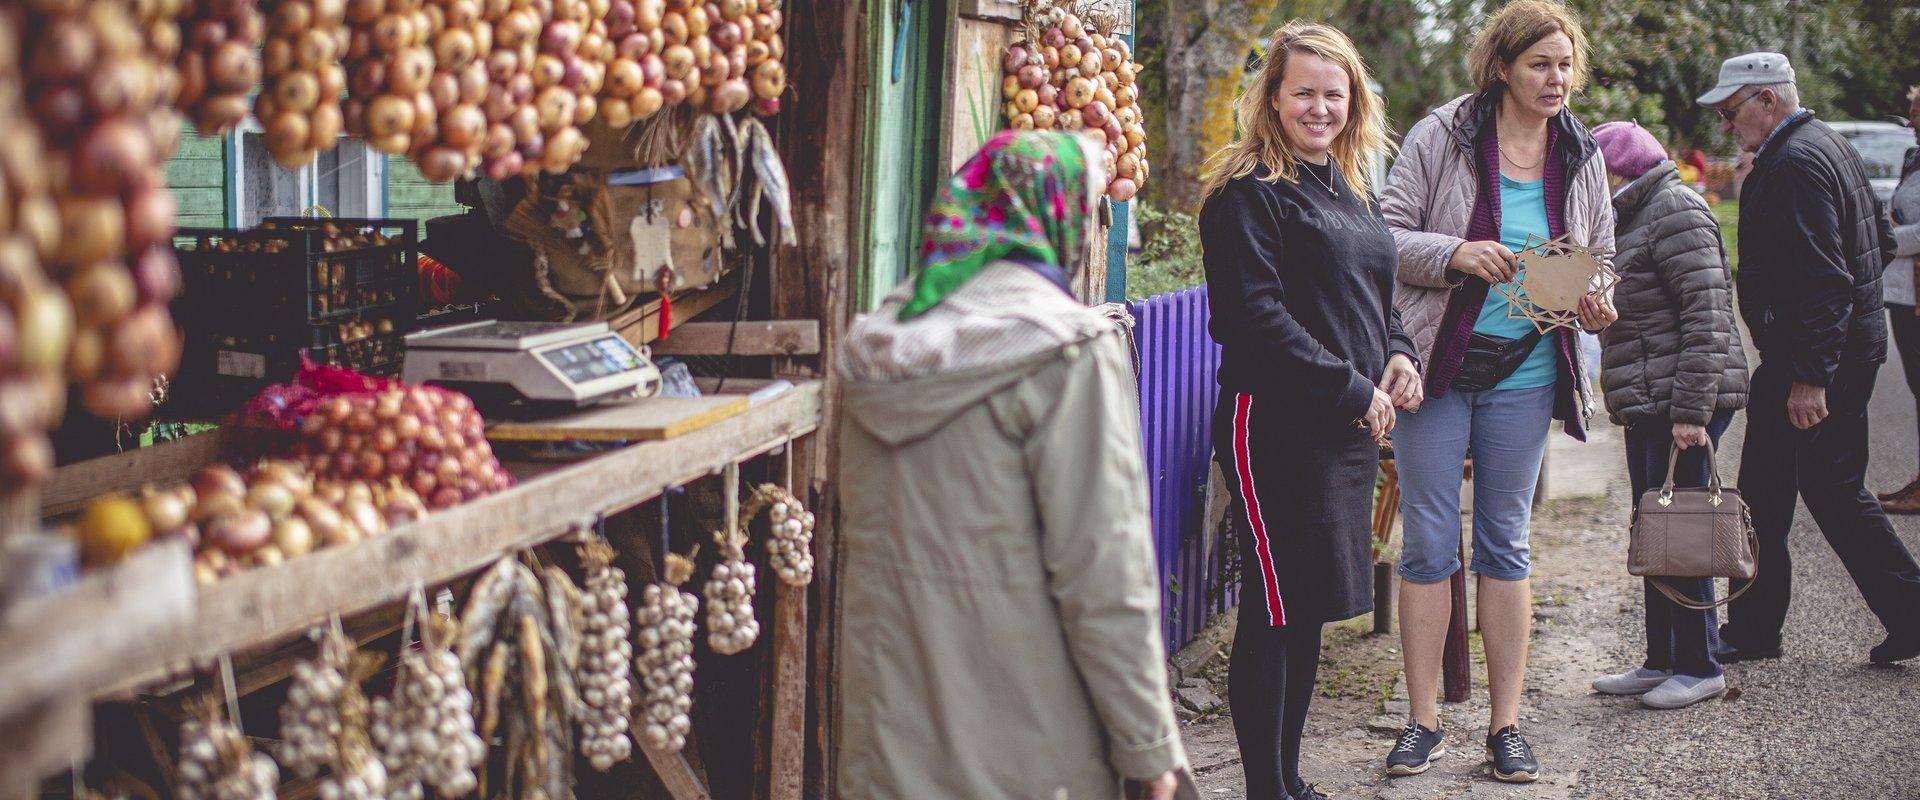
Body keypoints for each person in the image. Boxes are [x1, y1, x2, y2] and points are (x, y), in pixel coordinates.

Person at [835, 130, 1193, 800]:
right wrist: (1149, 748)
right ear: (1055, 216)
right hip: (1030, 743)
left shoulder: (877, 350)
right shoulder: (1065, 353)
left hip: (888, 739)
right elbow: (1105, 572)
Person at [1378, 0, 1617, 783]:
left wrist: (1597, 295)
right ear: (1503, 68)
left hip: (1529, 370)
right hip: (1436, 369)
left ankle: (1505, 726)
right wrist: (1456, 253)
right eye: (1541, 64)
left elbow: (1603, 253)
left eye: (1565, 65)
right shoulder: (1441, 134)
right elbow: (1383, 238)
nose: (1557, 79)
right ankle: (1423, 723)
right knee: (1427, 545)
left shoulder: (1581, 151)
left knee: (1505, 545)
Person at [1196, 21, 1417, 800]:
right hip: (1277, 428)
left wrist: (1398, 355)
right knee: (1275, 605)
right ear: (1274, 97)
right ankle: (1266, 789)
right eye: (1304, 93)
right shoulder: (1247, 195)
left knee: (1310, 605)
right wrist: (1352, 388)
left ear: (1353, 99)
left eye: (1335, 92)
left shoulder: (1349, 187)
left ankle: (1289, 781)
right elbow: (1253, 321)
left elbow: (1374, 298)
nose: (1320, 108)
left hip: (1344, 428)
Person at [1698, 53, 1920, 665]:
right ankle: (1756, 628)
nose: (1726, 126)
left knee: (1828, 490)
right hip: (1825, 353)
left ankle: (1905, 608)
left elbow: (1828, 281)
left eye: (1730, 110)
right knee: (1774, 492)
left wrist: (1810, 377)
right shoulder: (1824, 144)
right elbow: (1877, 240)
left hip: (1815, 359)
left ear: (1767, 100)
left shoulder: (1796, 161)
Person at [1585, 120, 1749, 709]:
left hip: (1682, 402)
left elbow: (1707, 316)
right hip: (1650, 400)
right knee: (1653, 526)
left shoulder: (1674, 209)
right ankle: (1662, 660)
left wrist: (1691, 412)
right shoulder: (1630, 218)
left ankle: (1701, 665)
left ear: (1615, 169)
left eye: (1589, 172)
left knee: (1681, 529)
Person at [1875, 86, 1920, 513]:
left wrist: (1883, 237)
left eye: (1917, 113)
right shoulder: (1915, 159)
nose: (1910, 122)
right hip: (1907, 293)